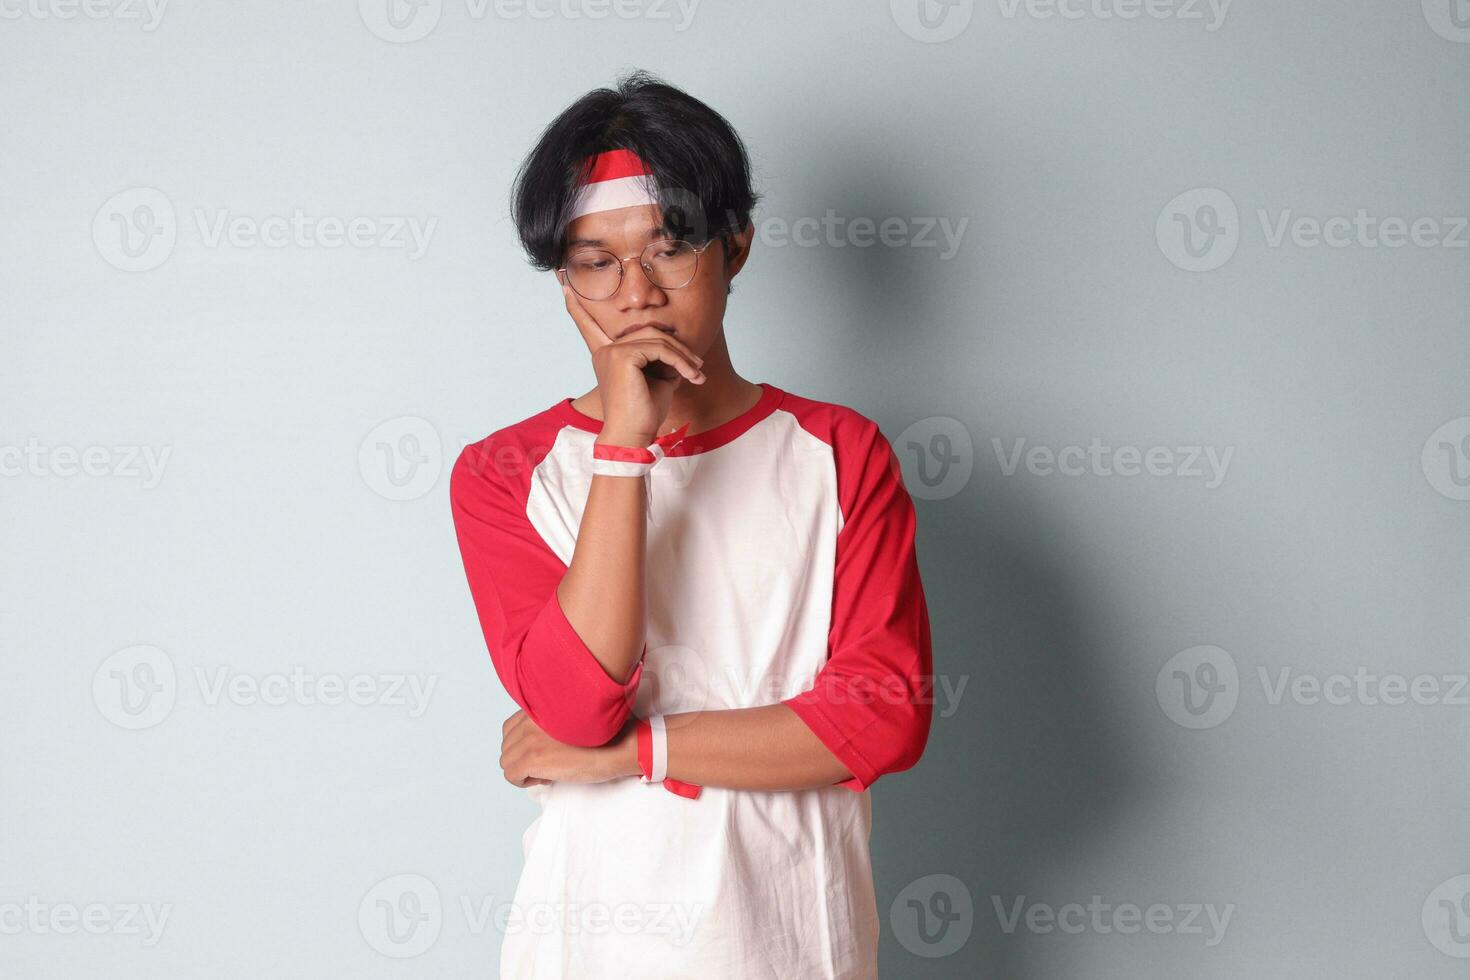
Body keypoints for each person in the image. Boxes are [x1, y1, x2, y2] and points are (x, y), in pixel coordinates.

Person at [449, 69, 934, 979]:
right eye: (595, 261)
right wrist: (622, 450)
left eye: (669, 249)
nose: (635, 292)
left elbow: (881, 719)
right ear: (563, 281)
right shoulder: (501, 473)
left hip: (791, 943)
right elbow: (572, 706)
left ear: (735, 246)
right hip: (586, 944)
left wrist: (638, 751)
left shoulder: (838, 452)